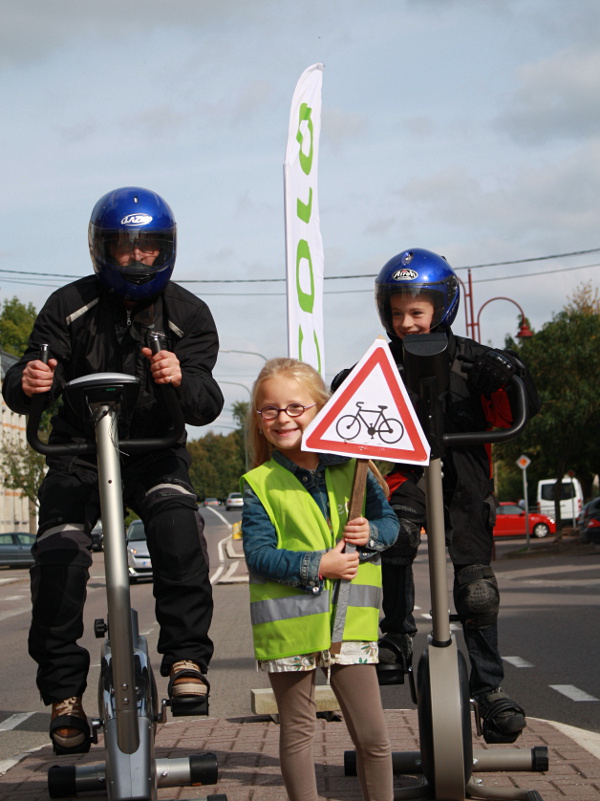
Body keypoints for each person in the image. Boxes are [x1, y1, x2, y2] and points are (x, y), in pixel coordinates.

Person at [2, 186, 224, 753]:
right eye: (123, 247)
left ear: (166, 249)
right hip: (78, 451)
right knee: (57, 554)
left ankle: (185, 661)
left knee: (177, 526)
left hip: (155, 449)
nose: (136, 258)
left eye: (148, 248)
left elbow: (206, 403)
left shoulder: (190, 314)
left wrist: (180, 375)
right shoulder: (67, 305)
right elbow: (29, 374)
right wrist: (28, 380)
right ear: (101, 249)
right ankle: (64, 694)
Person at [332, 248, 541, 745]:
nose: (407, 322)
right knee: (397, 538)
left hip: (466, 474)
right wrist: (347, 387)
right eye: (398, 312)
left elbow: (518, 403)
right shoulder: (384, 365)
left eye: (417, 312)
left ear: (442, 307)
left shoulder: (474, 361)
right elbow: (350, 403)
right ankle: (397, 636)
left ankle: (489, 691)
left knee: (477, 589)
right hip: (409, 472)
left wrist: (508, 374)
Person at [241, 358, 399, 801]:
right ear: (259, 419)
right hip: (290, 631)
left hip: (352, 625)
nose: (282, 418)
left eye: (295, 407)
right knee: (297, 733)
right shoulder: (259, 482)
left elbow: (390, 526)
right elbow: (258, 555)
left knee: (374, 738)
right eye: (269, 410)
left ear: (321, 410)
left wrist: (372, 534)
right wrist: (318, 566)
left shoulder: (355, 468)